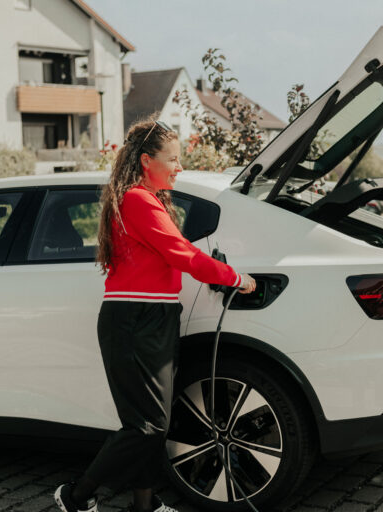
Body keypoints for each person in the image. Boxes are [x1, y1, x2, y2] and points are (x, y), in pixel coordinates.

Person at [54, 119, 257, 512]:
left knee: (152, 422)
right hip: (133, 319)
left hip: (155, 317)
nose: (180, 166)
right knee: (146, 426)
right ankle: (76, 496)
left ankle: (144, 505)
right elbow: (181, 255)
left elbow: (176, 254)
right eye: (174, 159)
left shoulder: (152, 199)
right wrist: (234, 277)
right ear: (148, 160)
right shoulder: (136, 199)